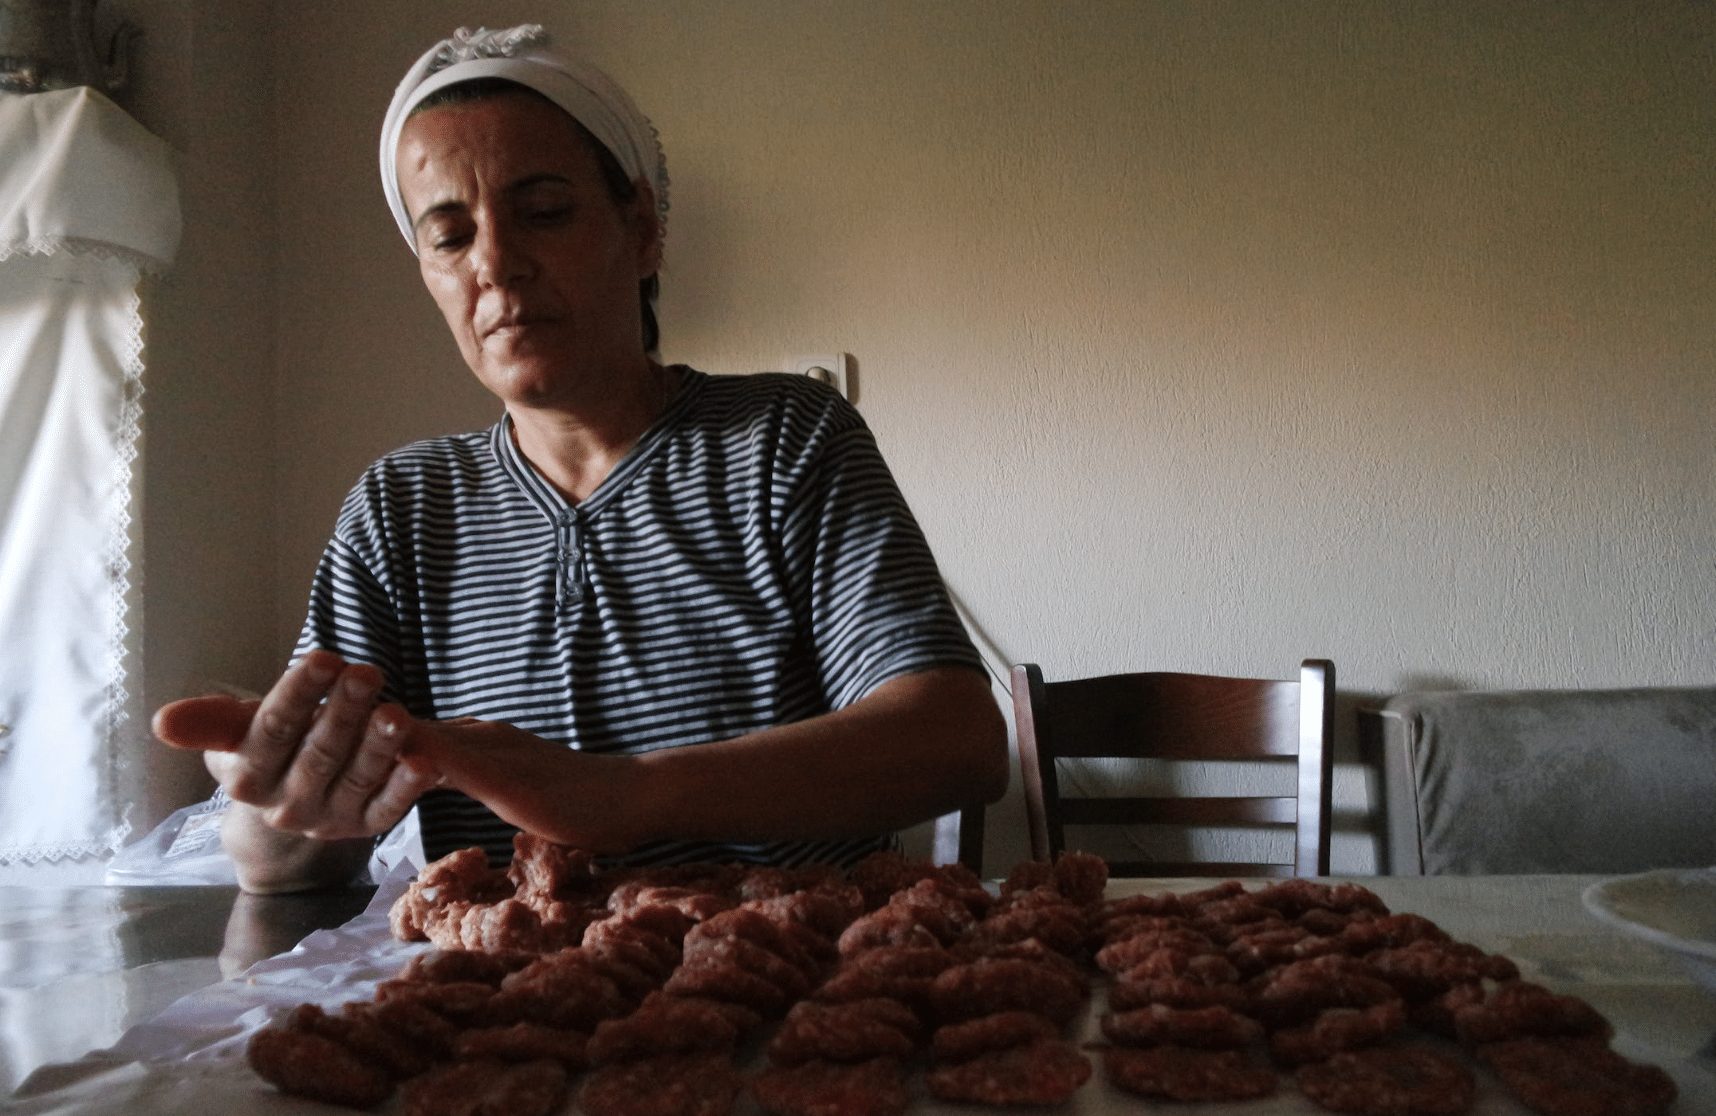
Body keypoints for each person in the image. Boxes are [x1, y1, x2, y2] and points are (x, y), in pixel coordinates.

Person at [153, 24, 1007, 894]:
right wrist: (277, 799)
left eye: (544, 211)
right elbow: (290, 862)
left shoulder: (782, 440)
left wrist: (624, 795)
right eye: (449, 237)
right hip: (504, 1010)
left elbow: (955, 742)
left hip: (792, 990)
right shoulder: (403, 507)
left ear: (640, 229)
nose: (495, 262)